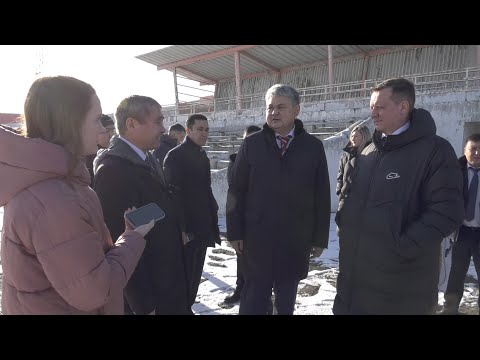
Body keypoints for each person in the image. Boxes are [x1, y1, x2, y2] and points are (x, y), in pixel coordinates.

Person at [0, 76, 154, 315]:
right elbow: (95, 291)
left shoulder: (54, 184)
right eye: (96, 119)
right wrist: (133, 237)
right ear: (70, 122)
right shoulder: (54, 201)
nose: (103, 129)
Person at [333, 77, 464, 315]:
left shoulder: (435, 151)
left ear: (403, 107)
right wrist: (345, 223)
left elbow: (447, 212)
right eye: (371, 107)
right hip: (354, 283)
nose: (373, 114)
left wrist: (400, 245)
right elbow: (350, 194)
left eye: (380, 107)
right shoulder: (369, 150)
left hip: (402, 289)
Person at [226, 84, 331, 315]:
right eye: (270, 107)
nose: (273, 112)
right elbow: (236, 190)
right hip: (257, 238)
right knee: (253, 299)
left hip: (295, 239)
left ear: (296, 110)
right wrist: (235, 232)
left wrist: (319, 238)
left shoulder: (313, 147)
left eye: (280, 107)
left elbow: (321, 195)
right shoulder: (251, 145)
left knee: (286, 301)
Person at [93, 95, 190, 315]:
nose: (163, 129)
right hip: (152, 296)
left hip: (166, 281)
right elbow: (120, 243)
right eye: (157, 121)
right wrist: (143, 306)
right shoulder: (113, 170)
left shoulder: (146, 158)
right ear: (131, 124)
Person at [163, 113, 221, 313]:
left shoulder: (201, 154)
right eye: (200, 129)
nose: (204, 133)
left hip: (202, 226)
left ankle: (187, 307)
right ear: (188, 131)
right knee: (184, 277)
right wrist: (182, 229)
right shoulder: (176, 156)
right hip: (187, 230)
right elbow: (172, 196)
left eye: (206, 129)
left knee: (195, 275)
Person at [439, 133, 480, 315]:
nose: (477, 153)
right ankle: (450, 309)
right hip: (461, 232)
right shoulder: (455, 171)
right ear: (465, 150)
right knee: (455, 275)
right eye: (473, 149)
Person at [223, 125, 261, 305]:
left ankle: (264, 297)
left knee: (262, 264)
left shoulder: (269, 161)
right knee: (241, 258)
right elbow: (234, 195)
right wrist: (233, 230)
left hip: (263, 222)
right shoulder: (236, 161)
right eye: (248, 139)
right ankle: (240, 289)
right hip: (243, 221)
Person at [336, 124, 372, 209]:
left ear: (364, 137)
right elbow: (340, 175)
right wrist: (339, 191)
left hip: (365, 202)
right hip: (346, 199)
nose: (353, 138)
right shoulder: (345, 156)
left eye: (356, 136)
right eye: (352, 136)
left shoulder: (373, 154)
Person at [85, 114, 115, 185]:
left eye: (112, 130)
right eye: (107, 130)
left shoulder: (116, 153)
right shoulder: (86, 157)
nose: (111, 135)